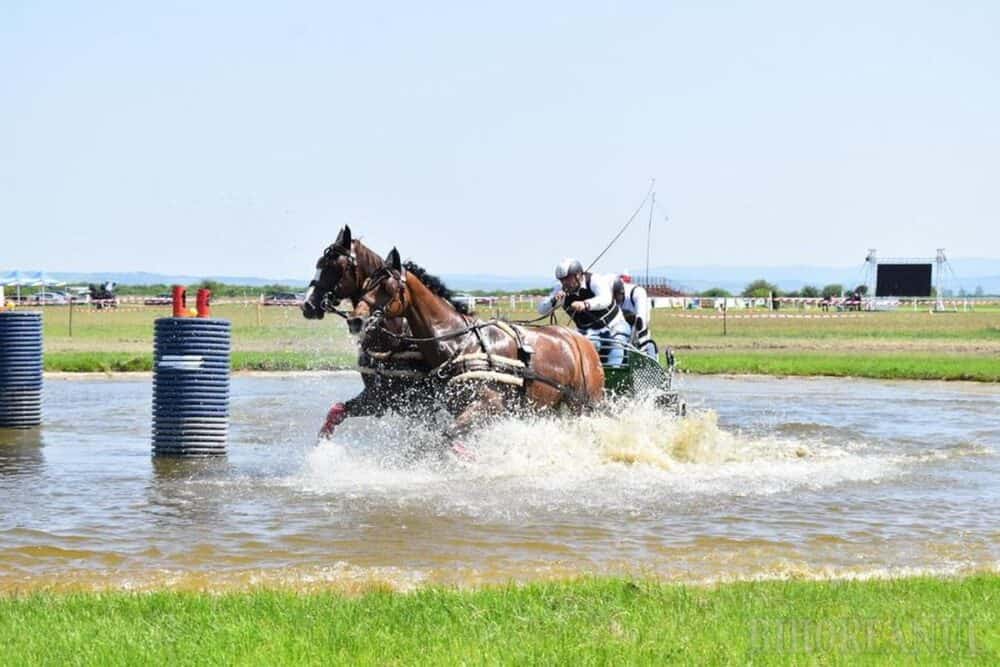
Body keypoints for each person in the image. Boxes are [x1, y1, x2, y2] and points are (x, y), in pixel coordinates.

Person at [537, 258, 630, 366]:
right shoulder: (560, 289)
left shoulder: (594, 280)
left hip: (614, 325)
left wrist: (586, 304)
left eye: (567, 279)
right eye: (562, 280)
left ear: (578, 275)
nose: (564, 283)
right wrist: (553, 301)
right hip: (588, 332)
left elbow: (605, 299)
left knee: (616, 345)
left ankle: (614, 377)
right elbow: (541, 309)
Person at [613, 276, 657, 359]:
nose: (615, 300)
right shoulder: (614, 298)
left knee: (643, 350)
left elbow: (641, 321)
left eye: (616, 297)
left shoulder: (637, 293)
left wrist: (632, 340)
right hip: (622, 328)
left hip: (639, 328)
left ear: (622, 293)